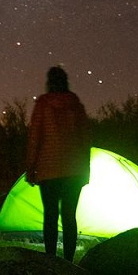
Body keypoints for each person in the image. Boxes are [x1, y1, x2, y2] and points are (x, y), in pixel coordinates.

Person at [25, 66, 91, 262]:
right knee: (70, 216)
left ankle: (51, 260)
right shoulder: (75, 104)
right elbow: (85, 139)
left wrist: (31, 167)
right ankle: (69, 261)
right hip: (74, 170)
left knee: (50, 216)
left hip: (48, 170)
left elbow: (34, 137)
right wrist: (85, 169)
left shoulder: (43, 104)